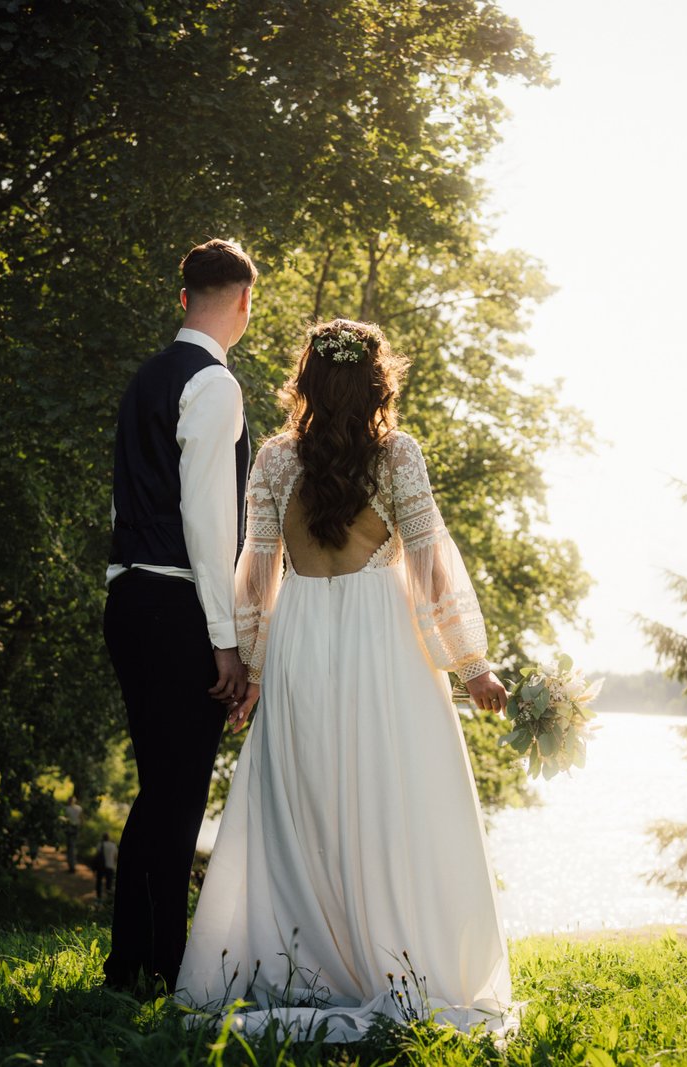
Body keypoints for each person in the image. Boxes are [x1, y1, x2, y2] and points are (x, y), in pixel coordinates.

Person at [173, 319, 514, 1041]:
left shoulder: (271, 460)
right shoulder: (398, 457)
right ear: (377, 382)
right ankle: (388, 957)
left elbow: (257, 573)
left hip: (300, 638)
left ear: (307, 383)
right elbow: (428, 565)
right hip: (381, 644)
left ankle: (306, 958)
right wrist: (472, 664)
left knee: (309, 798)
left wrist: (252, 669)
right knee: (389, 797)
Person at [102, 238, 257, 992]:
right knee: (177, 789)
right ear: (244, 302)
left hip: (128, 596)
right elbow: (210, 519)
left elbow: (122, 499)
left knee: (159, 786)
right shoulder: (214, 383)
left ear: (183, 295)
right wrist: (226, 641)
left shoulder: (146, 379)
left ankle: (135, 957)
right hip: (176, 606)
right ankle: (157, 963)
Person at [95, 833, 119, 901]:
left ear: (103, 837)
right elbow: (116, 857)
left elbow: (97, 855)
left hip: (101, 867)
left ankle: (98, 897)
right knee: (109, 883)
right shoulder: (113, 845)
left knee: (99, 882)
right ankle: (108, 900)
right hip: (110, 866)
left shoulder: (100, 844)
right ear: (109, 838)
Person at [63, 795, 84, 871]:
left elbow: (65, 819)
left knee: (70, 847)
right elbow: (82, 819)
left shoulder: (67, 809)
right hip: (76, 828)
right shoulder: (79, 808)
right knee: (73, 847)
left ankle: (71, 865)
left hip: (70, 828)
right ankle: (72, 864)